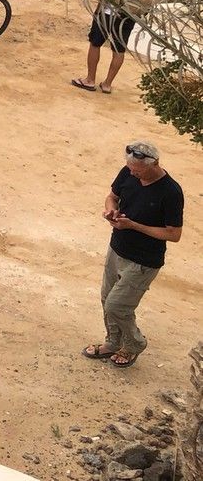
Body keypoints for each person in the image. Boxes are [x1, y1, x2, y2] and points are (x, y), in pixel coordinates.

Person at [80, 141, 185, 370]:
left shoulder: (171, 192)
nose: (132, 172)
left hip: (143, 261)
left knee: (117, 306)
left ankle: (134, 344)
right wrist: (110, 210)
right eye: (130, 168)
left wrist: (134, 226)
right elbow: (112, 196)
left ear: (154, 164)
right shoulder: (128, 172)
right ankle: (112, 342)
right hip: (117, 249)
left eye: (137, 169)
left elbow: (174, 234)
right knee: (107, 299)